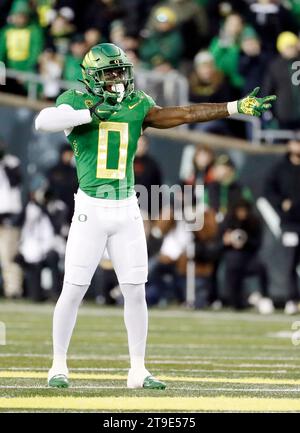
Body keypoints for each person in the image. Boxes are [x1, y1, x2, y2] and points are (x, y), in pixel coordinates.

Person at [35, 42, 276, 390]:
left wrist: (233, 106)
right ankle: (58, 365)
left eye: (121, 71)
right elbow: (44, 121)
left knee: (135, 291)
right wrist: (93, 113)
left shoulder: (137, 104)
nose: (118, 79)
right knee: (73, 289)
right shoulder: (76, 100)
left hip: (127, 208)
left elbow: (184, 114)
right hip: (90, 208)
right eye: (110, 73)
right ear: (92, 78)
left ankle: (138, 369)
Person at [264, 139, 300, 315]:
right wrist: (281, 203)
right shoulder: (280, 168)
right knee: (290, 262)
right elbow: (268, 190)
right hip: (290, 223)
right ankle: (293, 299)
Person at [221, 199, 273, 312]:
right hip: (233, 258)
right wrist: (227, 240)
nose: (242, 214)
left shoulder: (253, 222)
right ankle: (236, 302)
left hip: (248, 257)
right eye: (239, 211)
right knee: (233, 268)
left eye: (244, 211)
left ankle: (265, 297)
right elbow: (219, 243)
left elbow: (257, 243)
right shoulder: (228, 222)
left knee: (261, 268)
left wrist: (246, 241)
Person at [0, 138, 23, 299]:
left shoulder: (12, 162)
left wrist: (4, 163)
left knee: (9, 255)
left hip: (9, 214)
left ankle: (13, 290)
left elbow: (15, 182)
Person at [263, 31, 300, 130]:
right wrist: (268, 109)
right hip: (284, 114)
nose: (292, 50)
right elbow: (268, 89)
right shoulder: (275, 66)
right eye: (288, 47)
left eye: (293, 46)